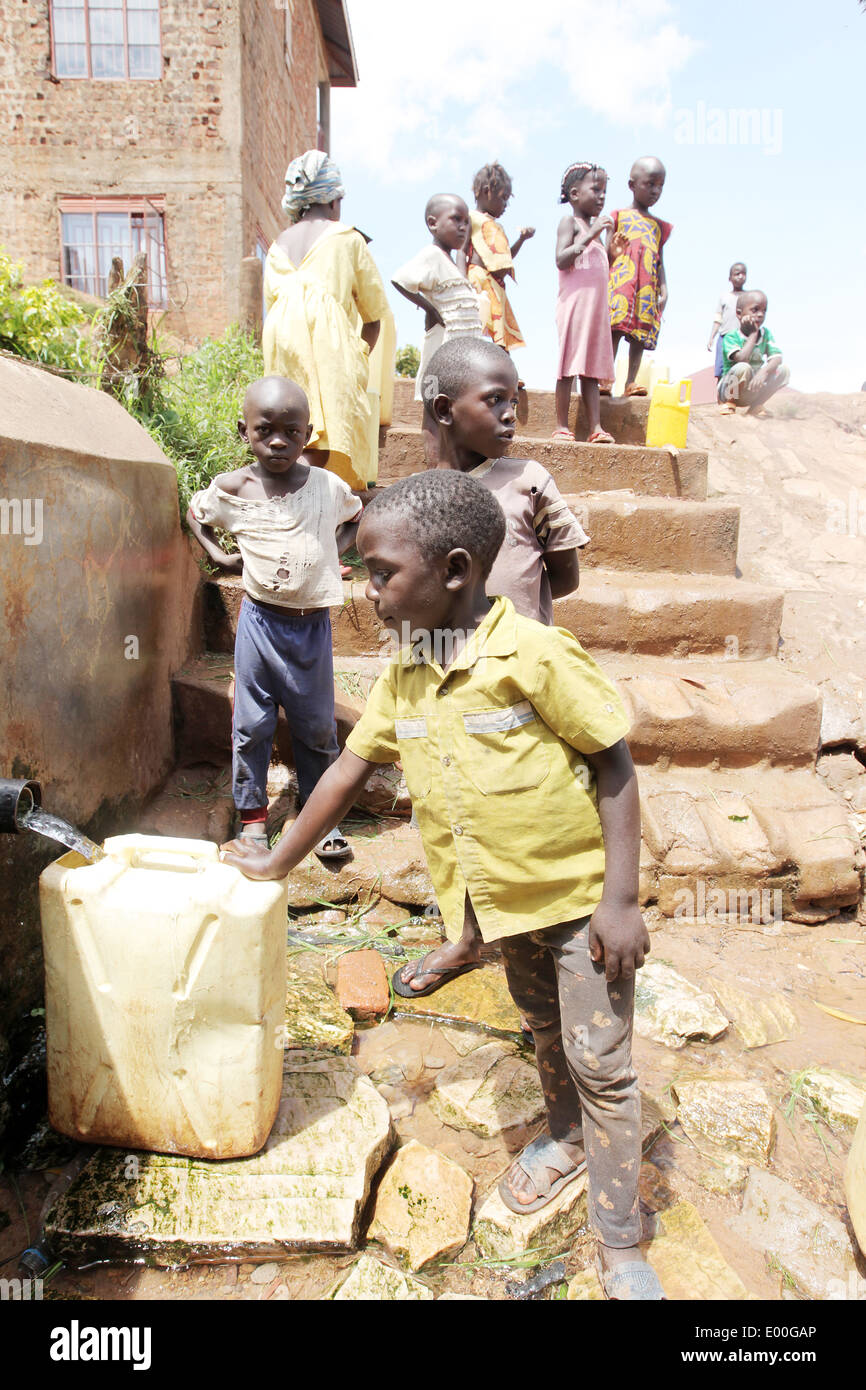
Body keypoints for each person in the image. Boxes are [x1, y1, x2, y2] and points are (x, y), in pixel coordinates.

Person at [220, 469, 662, 1301]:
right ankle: (564, 1139)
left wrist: (621, 901)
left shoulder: (533, 654)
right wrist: (276, 861)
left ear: (455, 570)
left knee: (601, 1060)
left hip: (578, 905)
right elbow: (347, 773)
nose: (367, 590)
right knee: (542, 1029)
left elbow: (615, 764)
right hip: (498, 909)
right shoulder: (404, 674)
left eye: (382, 572)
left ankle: (621, 1241)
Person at [187, 376, 362, 857]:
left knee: (315, 725)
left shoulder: (326, 486)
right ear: (243, 430)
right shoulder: (233, 488)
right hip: (260, 625)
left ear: (309, 433)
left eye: (291, 430)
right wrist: (219, 559)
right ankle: (252, 818)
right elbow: (195, 513)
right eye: (265, 430)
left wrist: (332, 550)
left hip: (311, 627)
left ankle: (318, 816)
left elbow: (356, 517)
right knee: (252, 724)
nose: (279, 441)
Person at [262, 150, 391, 492]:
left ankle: (289, 499)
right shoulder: (347, 238)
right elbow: (374, 315)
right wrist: (359, 355)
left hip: (280, 338)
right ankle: (324, 507)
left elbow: (271, 303)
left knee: (291, 424)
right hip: (329, 342)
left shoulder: (276, 247)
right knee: (330, 427)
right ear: (334, 201)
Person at [392, 195, 483, 463]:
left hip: (461, 356)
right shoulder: (431, 255)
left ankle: (449, 468)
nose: (463, 227)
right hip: (440, 352)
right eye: (456, 219)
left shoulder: (451, 261)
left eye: (467, 221)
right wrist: (430, 309)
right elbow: (401, 279)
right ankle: (434, 472)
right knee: (433, 410)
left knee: (452, 413)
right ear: (433, 223)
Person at [553, 162, 618, 443]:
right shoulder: (570, 223)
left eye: (605, 191)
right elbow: (561, 259)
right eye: (596, 189)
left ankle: (596, 427)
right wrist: (592, 235)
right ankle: (560, 425)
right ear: (575, 194)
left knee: (590, 368)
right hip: (575, 305)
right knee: (569, 362)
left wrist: (612, 248)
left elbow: (599, 266)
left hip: (596, 309)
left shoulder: (596, 234)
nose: (602, 196)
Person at [606, 156, 671, 397]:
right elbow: (607, 254)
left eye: (660, 185)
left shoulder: (658, 226)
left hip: (647, 285)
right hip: (621, 282)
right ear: (632, 185)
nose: (656, 190)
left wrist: (664, 288)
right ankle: (606, 378)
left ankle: (630, 382)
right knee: (614, 329)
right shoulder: (618, 217)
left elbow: (660, 259)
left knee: (639, 335)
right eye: (650, 184)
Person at [718, 290, 790, 415]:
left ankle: (757, 406)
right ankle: (729, 403)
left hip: (752, 389)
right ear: (739, 314)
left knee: (783, 370)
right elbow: (741, 359)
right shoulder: (731, 336)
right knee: (743, 367)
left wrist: (763, 372)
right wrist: (753, 334)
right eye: (755, 310)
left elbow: (777, 358)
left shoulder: (766, 334)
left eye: (764, 310)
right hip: (729, 390)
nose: (761, 314)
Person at [707, 261, 747, 387]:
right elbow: (718, 318)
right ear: (730, 278)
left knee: (737, 370)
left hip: (741, 339)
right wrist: (711, 337)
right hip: (724, 337)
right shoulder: (724, 297)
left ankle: (733, 400)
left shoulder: (749, 297)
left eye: (743, 273)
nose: (740, 276)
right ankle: (721, 401)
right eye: (737, 274)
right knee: (721, 370)